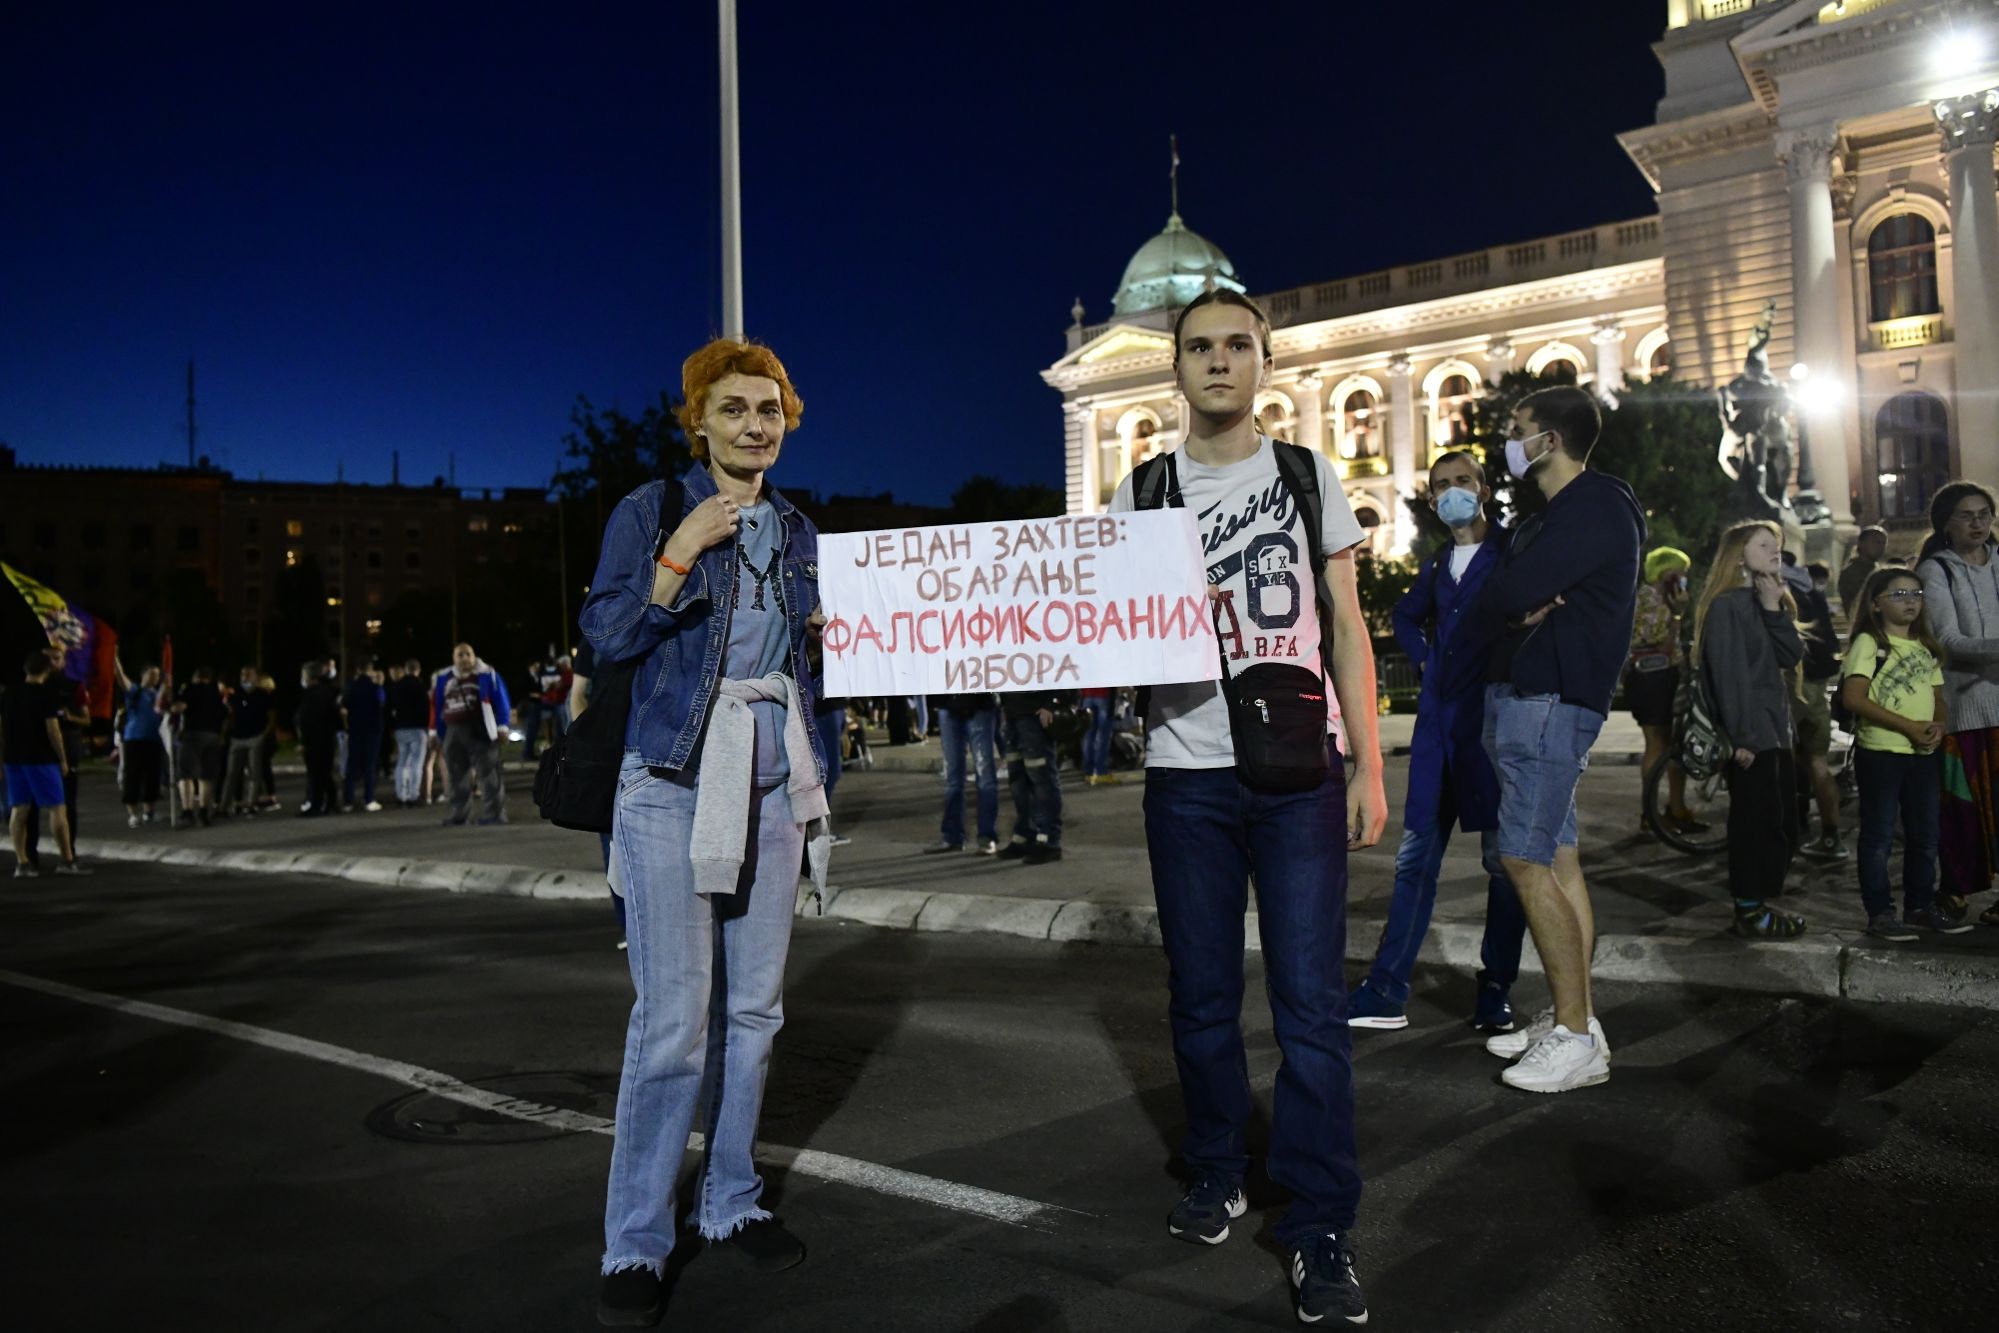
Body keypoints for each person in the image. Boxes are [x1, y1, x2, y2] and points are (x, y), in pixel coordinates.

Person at [1108, 289, 1384, 1326]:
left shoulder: (1309, 478)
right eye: (1198, 348)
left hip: (1298, 773)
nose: (1217, 362)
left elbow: (1347, 626)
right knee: (1201, 993)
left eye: (1236, 345)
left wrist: (1366, 761)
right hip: (1184, 775)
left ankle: (1320, 1221)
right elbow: (1107, 634)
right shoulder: (1140, 491)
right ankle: (1217, 1162)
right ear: (1172, 368)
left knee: (1311, 1002)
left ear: (1265, 361)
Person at [582, 337, 831, 1327]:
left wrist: (821, 787)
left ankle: (730, 1199)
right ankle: (636, 1240)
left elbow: (813, 669)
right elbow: (605, 638)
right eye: (733, 409)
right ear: (699, 421)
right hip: (675, 780)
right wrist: (681, 550)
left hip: (774, 784)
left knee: (755, 1016)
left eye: (768, 410)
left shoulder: (802, 529)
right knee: (675, 1026)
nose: (753, 425)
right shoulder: (649, 509)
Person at [1479, 384, 1642, 1094]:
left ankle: (1574, 1037)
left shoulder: (1594, 503)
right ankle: (1577, 1018)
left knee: (1522, 859)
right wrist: (1521, 600)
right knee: (1558, 855)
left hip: (1548, 700)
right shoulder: (1559, 513)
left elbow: (1508, 593)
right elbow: (1516, 596)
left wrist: (1521, 601)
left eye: (1517, 429)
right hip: (1539, 696)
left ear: (1549, 437)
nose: (1509, 442)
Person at [1349, 450, 1526, 1033]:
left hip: (1490, 734)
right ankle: (1385, 989)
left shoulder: (1511, 553)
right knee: (1414, 864)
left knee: (1502, 867)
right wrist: (1425, 660)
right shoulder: (1434, 566)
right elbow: (1404, 619)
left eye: (1462, 482)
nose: (1453, 492)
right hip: (1435, 738)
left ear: (1482, 488)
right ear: (1431, 501)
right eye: (1442, 486)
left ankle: (1495, 991)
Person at [1691, 522, 1808, 939]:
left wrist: (1775, 608)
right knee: (1755, 824)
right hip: (1753, 736)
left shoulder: (1763, 600)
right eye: (1764, 545)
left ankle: (1759, 901)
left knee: (1782, 821)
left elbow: (1792, 654)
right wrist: (1741, 736)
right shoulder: (1727, 606)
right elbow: (1729, 676)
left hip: (1776, 730)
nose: (1775, 551)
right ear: (1739, 555)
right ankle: (1749, 908)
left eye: (1776, 545)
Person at [1843, 566, 1964, 940]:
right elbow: (1854, 697)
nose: (1910, 601)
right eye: (1898, 594)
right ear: (1876, 604)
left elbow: (1938, 697)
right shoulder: (1869, 643)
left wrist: (1936, 725)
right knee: (1878, 837)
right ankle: (1880, 913)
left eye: (1915, 594)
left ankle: (1919, 907)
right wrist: (1908, 727)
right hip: (1881, 754)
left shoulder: (1926, 646)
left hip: (1923, 755)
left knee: (1925, 834)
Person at [1915, 481, 1999, 924]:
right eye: (1967, 515)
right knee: (1963, 809)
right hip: (1965, 710)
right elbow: (1948, 639)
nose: (1979, 523)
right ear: (1946, 522)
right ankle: (1956, 891)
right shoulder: (1937, 572)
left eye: (1984, 513)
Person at [1626, 547, 1701, 834]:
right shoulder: (1650, 600)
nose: (1683, 578)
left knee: (1672, 744)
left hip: (1661, 676)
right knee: (1657, 744)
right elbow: (1664, 644)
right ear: (1666, 573)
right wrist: (1678, 614)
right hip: (1653, 678)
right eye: (1679, 573)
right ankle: (1651, 814)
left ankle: (1676, 809)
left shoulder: (1658, 599)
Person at [5, 651, 86, 875]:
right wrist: (62, 758)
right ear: (47, 670)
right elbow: (53, 729)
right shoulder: (46, 694)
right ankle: (66, 860)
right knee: (57, 808)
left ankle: (22, 862)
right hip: (41, 758)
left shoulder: (9, 694)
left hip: (13, 758)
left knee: (19, 809)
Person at [1791, 556, 1847, 859]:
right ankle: (1829, 834)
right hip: (1815, 681)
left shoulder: (1782, 591)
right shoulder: (1812, 593)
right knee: (1816, 759)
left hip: (1794, 684)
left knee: (1799, 758)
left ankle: (1801, 827)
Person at [432, 644, 510, 825]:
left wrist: (502, 726)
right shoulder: (444, 678)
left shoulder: (487, 675)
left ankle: (495, 814)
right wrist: (435, 732)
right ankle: (459, 815)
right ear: (454, 658)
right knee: (456, 775)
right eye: (460, 655)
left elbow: (501, 700)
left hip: (480, 729)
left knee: (488, 772)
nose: (464, 658)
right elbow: (436, 705)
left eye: (468, 654)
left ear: (474, 657)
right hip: (453, 730)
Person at [997, 688, 1071, 864]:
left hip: (1034, 716)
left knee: (1042, 780)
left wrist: (1051, 704)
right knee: (1019, 782)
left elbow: (1067, 673)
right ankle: (1026, 834)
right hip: (1014, 716)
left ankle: (1049, 840)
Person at [925, 692, 1000, 855]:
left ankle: (985, 837)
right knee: (954, 777)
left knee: (984, 776)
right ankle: (953, 836)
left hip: (978, 704)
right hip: (949, 704)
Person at [172, 666, 228, 827]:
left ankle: (187, 811)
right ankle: (204, 812)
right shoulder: (216, 693)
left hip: (192, 734)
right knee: (207, 776)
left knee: (186, 774)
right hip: (212, 736)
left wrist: (170, 705)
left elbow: (179, 707)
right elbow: (225, 714)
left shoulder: (191, 689)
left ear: (195, 677)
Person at [222, 666, 274, 816]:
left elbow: (272, 716)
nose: (244, 678)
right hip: (237, 738)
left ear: (256, 678)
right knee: (231, 773)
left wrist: (264, 735)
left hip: (255, 737)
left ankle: (251, 804)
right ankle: (224, 806)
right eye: (243, 674)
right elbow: (230, 715)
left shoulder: (264, 695)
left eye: (248, 675)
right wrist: (225, 734)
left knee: (254, 773)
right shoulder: (236, 695)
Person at [119, 665, 166, 826]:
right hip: (134, 739)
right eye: (151, 674)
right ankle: (132, 814)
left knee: (152, 776)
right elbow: (121, 679)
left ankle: (148, 811)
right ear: (143, 675)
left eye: (158, 675)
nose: (155, 677)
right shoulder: (136, 690)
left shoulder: (159, 695)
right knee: (132, 776)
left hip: (153, 739)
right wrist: (115, 661)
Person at [295, 660, 342, 816]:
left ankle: (316, 805)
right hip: (327, 738)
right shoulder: (327, 691)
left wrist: (303, 742)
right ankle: (331, 802)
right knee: (324, 773)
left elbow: (307, 721)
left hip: (315, 740)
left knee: (316, 774)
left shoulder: (312, 694)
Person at [341, 660, 386, 812]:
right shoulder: (375, 687)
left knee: (351, 765)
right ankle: (369, 799)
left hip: (355, 730)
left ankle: (348, 801)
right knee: (370, 765)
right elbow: (381, 702)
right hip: (373, 730)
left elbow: (344, 704)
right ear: (370, 670)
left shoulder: (350, 686)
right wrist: (380, 683)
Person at [386, 656, 430, 809]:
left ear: (406, 669)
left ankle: (401, 795)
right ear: (418, 670)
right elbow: (425, 708)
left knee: (402, 761)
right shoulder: (419, 686)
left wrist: (392, 726)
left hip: (400, 728)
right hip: (417, 728)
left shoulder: (397, 686)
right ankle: (414, 795)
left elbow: (389, 708)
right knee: (416, 763)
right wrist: (426, 726)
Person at [1838, 525, 1889, 613]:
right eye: (1876, 542)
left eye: (1883, 543)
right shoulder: (1852, 573)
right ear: (1861, 543)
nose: (1880, 547)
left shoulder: (1878, 570)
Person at [1078, 686, 1119, 786]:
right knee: (1103, 736)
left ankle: (1089, 772)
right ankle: (1101, 773)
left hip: (1086, 696)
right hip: (1104, 694)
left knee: (1088, 736)